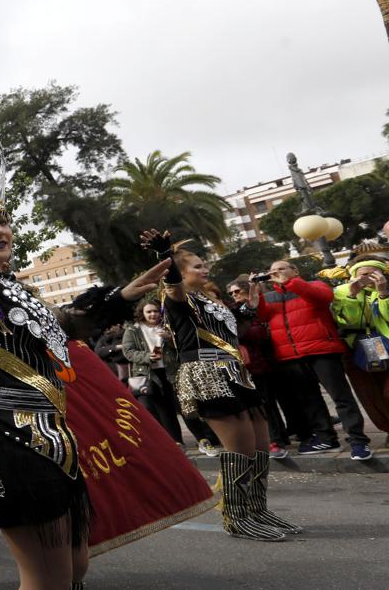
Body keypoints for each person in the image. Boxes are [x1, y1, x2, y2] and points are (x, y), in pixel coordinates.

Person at [0, 89, 170, 589]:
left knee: (75, 567)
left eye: (2, 220)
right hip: (7, 439)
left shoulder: (15, 289)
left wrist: (122, 298)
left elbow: (67, 327)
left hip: (53, 436)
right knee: (46, 576)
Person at [141, 230, 300, 541]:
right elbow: (172, 283)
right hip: (206, 373)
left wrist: (248, 308)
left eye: (204, 264)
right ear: (181, 272)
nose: (205, 269)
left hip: (236, 373)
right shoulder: (177, 298)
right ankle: (236, 516)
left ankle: (257, 509)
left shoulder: (209, 299)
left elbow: (231, 331)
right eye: (197, 266)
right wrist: (165, 257)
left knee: (258, 444)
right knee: (238, 448)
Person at [253, 259, 371, 460]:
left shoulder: (313, 285)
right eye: (272, 270)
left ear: (294, 270)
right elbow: (261, 315)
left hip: (322, 350)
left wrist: (291, 283)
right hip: (290, 356)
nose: (276, 272)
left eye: (281, 268)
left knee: (341, 397)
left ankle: (358, 440)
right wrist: (254, 291)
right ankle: (326, 438)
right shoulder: (269, 297)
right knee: (310, 400)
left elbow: (323, 297)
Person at [226, 280, 293, 459]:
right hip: (252, 366)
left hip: (267, 362)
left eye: (237, 291)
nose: (234, 295)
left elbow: (256, 333)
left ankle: (278, 439)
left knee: (271, 404)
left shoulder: (251, 310)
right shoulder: (235, 311)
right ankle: (276, 439)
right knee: (265, 404)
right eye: (231, 293)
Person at [331, 256, 389, 436]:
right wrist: (352, 296)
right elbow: (347, 321)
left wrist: (383, 294)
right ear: (354, 275)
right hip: (356, 347)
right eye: (364, 275)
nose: (369, 278)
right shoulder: (341, 291)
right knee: (369, 395)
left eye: (374, 273)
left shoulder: (385, 288)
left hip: (386, 343)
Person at [122, 303, 184, 444]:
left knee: (170, 409)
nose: (153, 314)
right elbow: (128, 352)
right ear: (142, 313)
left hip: (169, 371)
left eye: (156, 311)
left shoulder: (166, 326)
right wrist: (147, 357)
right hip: (146, 373)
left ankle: (177, 442)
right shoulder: (133, 329)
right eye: (149, 311)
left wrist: (170, 338)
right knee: (150, 409)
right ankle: (160, 442)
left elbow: (182, 346)